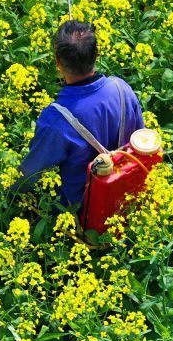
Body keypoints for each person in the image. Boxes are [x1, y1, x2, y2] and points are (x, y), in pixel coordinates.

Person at [16, 19, 145, 212]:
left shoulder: (57, 120)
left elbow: (31, 173)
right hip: (129, 194)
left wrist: (9, 194)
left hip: (84, 210)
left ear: (58, 62)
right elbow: (140, 143)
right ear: (97, 54)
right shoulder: (121, 88)